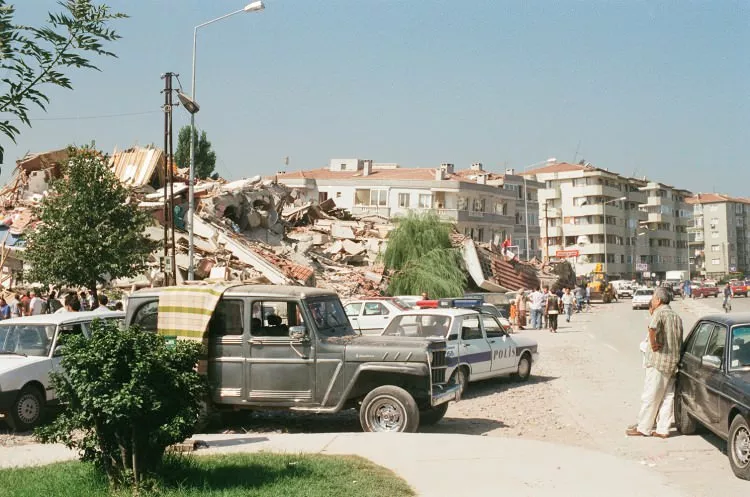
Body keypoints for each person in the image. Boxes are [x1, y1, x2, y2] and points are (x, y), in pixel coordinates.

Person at [626, 287, 683, 438]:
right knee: (667, 397)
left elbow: (652, 329)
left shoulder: (660, 312)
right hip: (673, 363)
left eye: (653, 297)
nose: (652, 300)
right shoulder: (676, 316)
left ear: (658, 300)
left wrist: (653, 344)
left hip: (659, 362)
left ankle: (644, 428)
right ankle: (662, 429)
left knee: (650, 395)